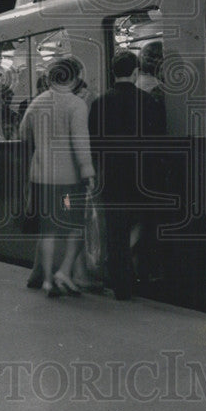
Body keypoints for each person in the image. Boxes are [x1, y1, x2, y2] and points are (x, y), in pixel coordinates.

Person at [87, 51, 166, 300]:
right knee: (144, 222)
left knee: (116, 230)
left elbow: (94, 143)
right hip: (144, 175)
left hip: (112, 176)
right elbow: (158, 139)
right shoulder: (148, 101)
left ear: (113, 72)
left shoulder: (100, 103)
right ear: (135, 72)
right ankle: (144, 275)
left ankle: (122, 285)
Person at [18, 57, 95, 298]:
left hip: (40, 178)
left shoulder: (37, 103)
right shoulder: (76, 105)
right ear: (73, 78)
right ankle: (64, 271)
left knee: (47, 229)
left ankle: (48, 281)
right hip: (68, 181)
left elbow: (22, 134)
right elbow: (81, 143)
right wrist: (88, 172)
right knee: (74, 226)